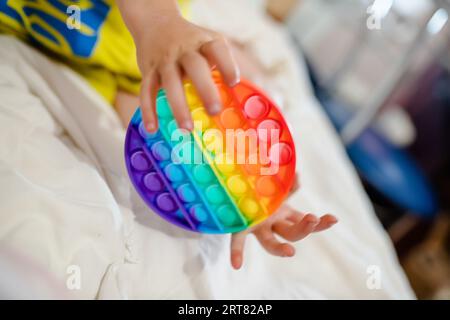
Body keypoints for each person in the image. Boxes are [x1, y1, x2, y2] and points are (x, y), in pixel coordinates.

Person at [0, 0, 337, 269]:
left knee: (232, 80)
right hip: (115, 42)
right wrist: (156, 19)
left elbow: (152, 123)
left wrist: (245, 192)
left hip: (141, 41)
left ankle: (247, 67)